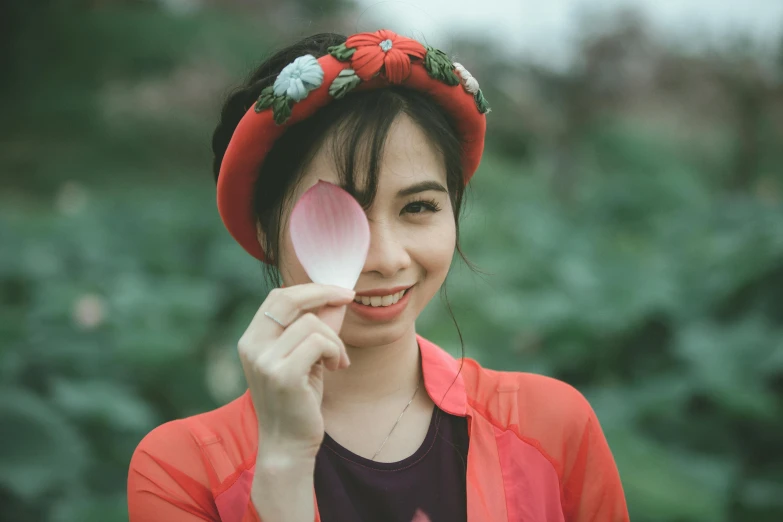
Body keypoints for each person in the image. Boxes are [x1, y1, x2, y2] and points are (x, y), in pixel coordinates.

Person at [127, 29, 629, 522]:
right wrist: (281, 467)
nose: (387, 258)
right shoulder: (180, 472)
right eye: (339, 214)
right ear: (266, 228)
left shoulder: (553, 426)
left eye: (418, 206)